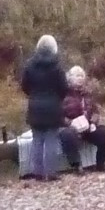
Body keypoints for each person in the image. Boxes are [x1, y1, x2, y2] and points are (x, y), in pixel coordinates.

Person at [18, 34, 71, 179]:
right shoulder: (57, 67)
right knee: (51, 139)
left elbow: (24, 85)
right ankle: (50, 172)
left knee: (37, 139)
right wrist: (57, 98)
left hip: (35, 105)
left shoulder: (29, 65)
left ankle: (38, 172)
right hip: (53, 106)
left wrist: (34, 95)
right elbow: (64, 87)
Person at [60, 64, 105, 172]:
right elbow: (58, 115)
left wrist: (93, 122)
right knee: (68, 134)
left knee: (104, 131)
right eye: (77, 76)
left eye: (82, 76)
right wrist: (70, 123)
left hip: (87, 126)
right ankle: (76, 165)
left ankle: (101, 163)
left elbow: (95, 111)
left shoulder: (88, 94)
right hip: (71, 128)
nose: (80, 78)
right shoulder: (62, 94)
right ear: (70, 78)